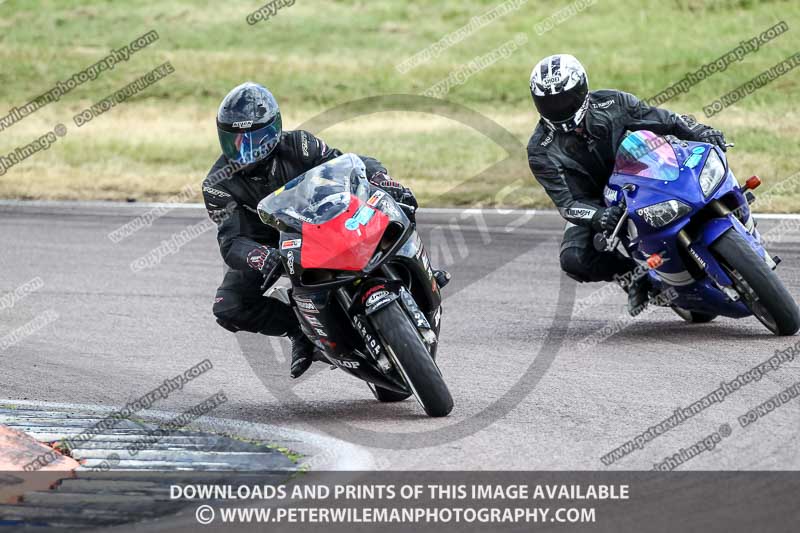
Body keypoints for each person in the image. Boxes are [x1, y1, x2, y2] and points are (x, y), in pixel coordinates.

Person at [203, 82, 450, 378]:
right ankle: (300, 331)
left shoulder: (298, 145)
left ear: (275, 128)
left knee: (394, 205)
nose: (247, 149)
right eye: (237, 140)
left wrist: (382, 179)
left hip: (318, 219)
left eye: (256, 137)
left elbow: (350, 165)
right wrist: (259, 256)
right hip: (270, 243)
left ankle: (423, 270)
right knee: (228, 306)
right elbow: (231, 241)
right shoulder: (216, 184)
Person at [526, 54, 728, 315]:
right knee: (573, 258)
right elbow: (567, 205)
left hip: (640, 172)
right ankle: (633, 276)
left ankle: (732, 212)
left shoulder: (613, 102)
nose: (560, 107)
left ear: (583, 90)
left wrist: (700, 131)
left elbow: (664, 119)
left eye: (565, 98)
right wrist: (599, 216)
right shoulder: (539, 150)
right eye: (550, 102)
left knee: (700, 166)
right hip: (594, 202)